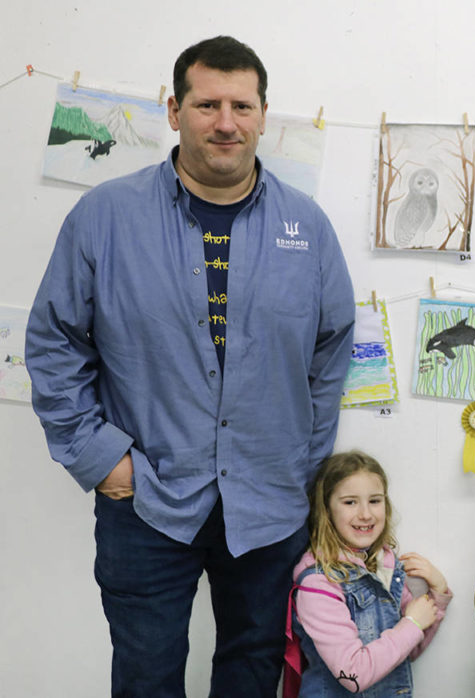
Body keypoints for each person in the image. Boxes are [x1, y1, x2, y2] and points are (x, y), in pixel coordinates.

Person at [25, 36, 355, 697]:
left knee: (252, 670)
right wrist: (100, 458)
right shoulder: (104, 217)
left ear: (264, 113)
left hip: (268, 506)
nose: (225, 122)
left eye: (241, 105)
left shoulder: (308, 228)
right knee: (145, 679)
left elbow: (331, 350)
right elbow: (54, 341)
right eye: (207, 104)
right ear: (174, 111)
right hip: (146, 502)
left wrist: (301, 466)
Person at [286, 451, 451, 697]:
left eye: (374, 501)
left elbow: (408, 648)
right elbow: (352, 675)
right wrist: (412, 623)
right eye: (350, 502)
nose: (365, 514)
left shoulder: (385, 567)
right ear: (327, 510)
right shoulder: (319, 583)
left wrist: (437, 594)